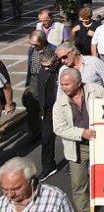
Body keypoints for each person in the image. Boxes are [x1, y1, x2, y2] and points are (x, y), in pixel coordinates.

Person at [53, 68, 104, 212]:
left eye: (67, 84)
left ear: (78, 83)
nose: (63, 87)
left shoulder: (95, 90)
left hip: (100, 143)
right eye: (61, 84)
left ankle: (101, 203)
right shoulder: (59, 104)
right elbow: (59, 128)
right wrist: (82, 133)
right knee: (79, 184)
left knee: (102, 178)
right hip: (77, 147)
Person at [0, 156, 74, 211]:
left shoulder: (56, 199)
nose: (10, 195)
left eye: (16, 188)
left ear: (31, 182)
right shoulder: (1, 203)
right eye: (5, 189)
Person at [35, 50, 61, 181]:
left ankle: (76, 164)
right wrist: (41, 111)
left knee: (71, 139)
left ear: (56, 62)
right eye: (43, 66)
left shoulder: (63, 70)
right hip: (48, 112)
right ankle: (48, 166)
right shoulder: (42, 72)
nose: (46, 69)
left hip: (63, 109)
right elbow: (40, 92)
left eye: (49, 66)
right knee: (46, 139)